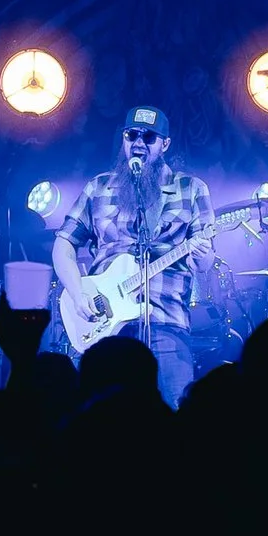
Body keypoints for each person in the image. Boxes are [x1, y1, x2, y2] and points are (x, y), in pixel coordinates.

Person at [53, 104, 214, 409]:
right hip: (106, 325)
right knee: (102, 418)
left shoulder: (191, 189)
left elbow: (204, 263)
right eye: (132, 135)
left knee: (175, 416)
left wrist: (202, 254)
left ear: (165, 144)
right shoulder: (99, 187)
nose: (139, 143)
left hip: (165, 322)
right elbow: (64, 244)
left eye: (149, 137)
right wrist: (77, 293)